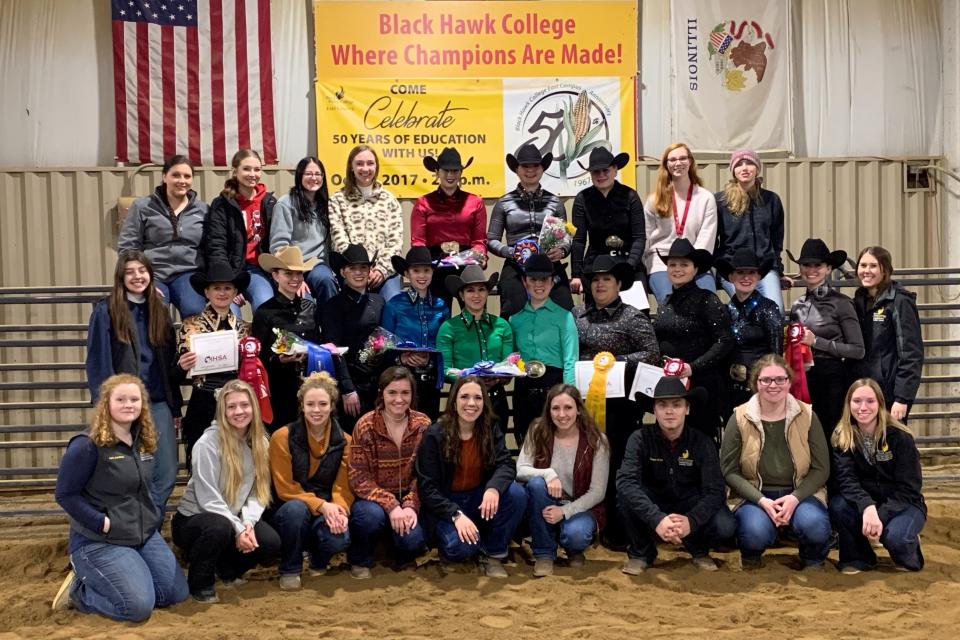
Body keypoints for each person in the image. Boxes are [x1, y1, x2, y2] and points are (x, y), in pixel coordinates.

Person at [52, 374, 189, 620]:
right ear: (106, 404)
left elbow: (149, 485)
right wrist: (100, 522)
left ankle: (131, 575)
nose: (129, 405)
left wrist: (153, 513)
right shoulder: (86, 446)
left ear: (142, 404)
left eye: (135, 399)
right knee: (136, 607)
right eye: (121, 399)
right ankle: (79, 592)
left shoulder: (143, 440)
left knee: (175, 594)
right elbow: (65, 494)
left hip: (142, 533)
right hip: (101, 539)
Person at [573, 255, 660, 548]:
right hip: (585, 404)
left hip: (622, 405)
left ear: (618, 284)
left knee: (621, 465)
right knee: (589, 464)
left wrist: (616, 361)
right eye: (595, 280)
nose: (600, 285)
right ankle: (591, 522)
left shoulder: (633, 317)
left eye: (606, 280)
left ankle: (621, 526)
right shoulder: (577, 315)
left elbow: (651, 353)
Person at [85, 250, 182, 513]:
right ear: (120, 277)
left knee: (166, 472)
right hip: (124, 407)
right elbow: (97, 362)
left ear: (150, 274)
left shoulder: (160, 311)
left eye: (142, 270)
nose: (137, 276)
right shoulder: (106, 311)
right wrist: (105, 406)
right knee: (132, 473)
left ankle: (149, 525)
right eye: (130, 272)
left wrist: (175, 407)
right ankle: (130, 527)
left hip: (158, 402)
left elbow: (168, 364)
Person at [172, 379, 280, 603]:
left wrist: (248, 524)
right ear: (222, 411)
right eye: (231, 407)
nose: (239, 411)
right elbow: (208, 499)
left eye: (244, 405)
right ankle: (200, 582)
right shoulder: (207, 444)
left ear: (254, 408)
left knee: (269, 542)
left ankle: (227, 570)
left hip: (234, 517)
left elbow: (257, 493)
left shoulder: (261, 442)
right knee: (217, 527)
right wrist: (238, 529)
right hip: (194, 519)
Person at [720, 355, 831, 570]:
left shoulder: (807, 415)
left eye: (780, 379)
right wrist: (761, 500)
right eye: (766, 380)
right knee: (754, 532)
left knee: (815, 525)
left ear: (789, 382)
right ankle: (751, 556)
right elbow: (729, 470)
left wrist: (795, 498)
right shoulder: (740, 417)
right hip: (754, 495)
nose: (774, 385)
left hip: (800, 492)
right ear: (756, 383)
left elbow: (821, 468)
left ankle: (814, 559)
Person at [617, 378, 736, 574]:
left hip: (689, 503)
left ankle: (699, 550)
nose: (669, 411)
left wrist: (691, 521)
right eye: (662, 405)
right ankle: (640, 553)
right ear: (654, 410)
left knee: (725, 525)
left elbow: (715, 491)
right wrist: (657, 519)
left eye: (676, 405)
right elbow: (626, 483)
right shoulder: (639, 439)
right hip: (653, 503)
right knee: (626, 496)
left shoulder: (703, 442)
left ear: (687, 409)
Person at [414, 376, 527, 577]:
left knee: (517, 494)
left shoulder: (491, 428)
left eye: (478, 397)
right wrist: (455, 514)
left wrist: (492, 488)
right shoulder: (434, 435)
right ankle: (464, 543)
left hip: (478, 498)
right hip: (446, 505)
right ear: (454, 401)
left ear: (485, 402)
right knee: (462, 548)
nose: (471, 404)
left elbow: (507, 464)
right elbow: (427, 489)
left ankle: (493, 553)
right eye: (465, 397)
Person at [267, 372, 353, 590]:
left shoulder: (346, 441)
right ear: (302, 405)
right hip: (289, 508)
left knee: (339, 538)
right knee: (295, 510)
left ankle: (318, 559)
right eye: (310, 404)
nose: (316, 410)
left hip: (326, 506)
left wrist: (339, 510)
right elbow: (285, 488)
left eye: (323, 404)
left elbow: (342, 486)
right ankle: (290, 568)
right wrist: (322, 506)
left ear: (332, 405)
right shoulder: (281, 437)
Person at [830, 379, 926, 573]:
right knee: (838, 504)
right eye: (856, 401)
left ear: (880, 404)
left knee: (896, 539)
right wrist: (867, 508)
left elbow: (909, 488)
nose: (863, 407)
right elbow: (846, 481)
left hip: (903, 503)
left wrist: (879, 516)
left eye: (870, 401)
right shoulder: (842, 437)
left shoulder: (901, 437)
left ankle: (909, 547)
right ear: (848, 405)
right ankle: (857, 558)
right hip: (866, 502)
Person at [516, 384, 609, 577]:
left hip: (579, 507)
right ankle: (544, 554)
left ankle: (573, 550)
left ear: (578, 410)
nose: (562, 414)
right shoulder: (537, 430)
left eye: (568, 408)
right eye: (555, 408)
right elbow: (521, 469)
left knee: (576, 535)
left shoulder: (597, 440)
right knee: (536, 483)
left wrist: (565, 511)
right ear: (548, 411)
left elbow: (598, 491)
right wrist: (548, 474)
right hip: (544, 501)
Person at [347, 367, 432, 578]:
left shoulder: (424, 425)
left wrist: (411, 505)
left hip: (409, 499)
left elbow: (426, 474)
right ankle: (360, 559)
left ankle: (397, 551)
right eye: (392, 392)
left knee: (413, 540)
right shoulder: (365, 425)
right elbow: (358, 477)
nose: (399, 399)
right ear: (381, 393)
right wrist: (391, 505)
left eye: (405, 393)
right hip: (373, 501)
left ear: (412, 395)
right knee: (368, 518)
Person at [653, 238, 734, 442]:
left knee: (700, 439)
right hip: (671, 384)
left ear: (695, 269)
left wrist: (693, 367)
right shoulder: (665, 302)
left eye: (684, 264)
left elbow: (724, 341)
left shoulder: (707, 300)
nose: (677, 269)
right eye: (672, 264)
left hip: (701, 384)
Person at [176, 263, 252, 469]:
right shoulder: (190, 325)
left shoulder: (245, 329)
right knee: (201, 461)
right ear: (206, 292)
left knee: (237, 463)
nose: (222, 293)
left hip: (236, 401)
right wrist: (182, 365)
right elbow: (176, 372)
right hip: (203, 400)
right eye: (217, 288)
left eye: (227, 288)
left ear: (235, 292)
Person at [789, 238, 865, 441]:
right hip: (802, 378)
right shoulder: (797, 305)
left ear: (828, 268)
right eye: (806, 265)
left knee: (829, 434)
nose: (811, 270)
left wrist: (817, 343)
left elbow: (858, 350)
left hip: (832, 379)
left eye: (818, 265)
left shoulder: (842, 304)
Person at [487, 144, 574, 318]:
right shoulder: (503, 202)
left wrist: (562, 250)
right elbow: (491, 239)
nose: (530, 170)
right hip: (515, 266)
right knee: (512, 309)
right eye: (525, 166)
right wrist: (512, 252)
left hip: (550, 266)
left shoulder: (555, 202)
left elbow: (566, 238)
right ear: (516, 169)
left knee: (566, 309)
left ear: (542, 169)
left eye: (535, 166)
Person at [117, 154, 209, 318]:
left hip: (189, 273)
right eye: (176, 175)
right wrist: (140, 278)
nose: (182, 180)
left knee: (195, 311)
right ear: (164, 176)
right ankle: (158, 344)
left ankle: (187, 344)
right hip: (153, 274)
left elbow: (210, 247)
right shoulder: (142, 206)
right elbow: (128, 247)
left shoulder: (203, 210)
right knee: (155, 313)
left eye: (187, 176)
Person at [509, 254, 578, 445]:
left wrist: (568, 395)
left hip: (553, 388)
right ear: (524, 281)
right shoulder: (515, 320)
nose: (539, 284)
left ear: (553, 281)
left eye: (544, 279)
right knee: (525, 442)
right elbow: (512, 358)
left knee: (555, 444)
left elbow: (570, 359)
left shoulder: (565, 317)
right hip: (524, 388)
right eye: (533, 279)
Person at [436, 265, 515, 434]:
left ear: (487, 293)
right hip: (462, 399)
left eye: (481, 289)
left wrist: (499, 377)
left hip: (496, 399)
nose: (477, 295)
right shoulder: (449, 328)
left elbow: (509, 368)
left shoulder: (502, 326)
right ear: (461, 295)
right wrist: (468, 375)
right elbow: (443, 370)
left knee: (496, 452)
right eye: (470, 290)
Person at [252, 246, 322, 432]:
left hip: (309, 381)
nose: (295, 279)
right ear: (275, 276)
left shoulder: (310, 307)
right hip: (280, 386)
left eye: (299, 274)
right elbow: (259, 355)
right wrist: (278, 359)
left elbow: (319, 342)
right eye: (288, 274)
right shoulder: (264, 312)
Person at [320, 243, 386, 433]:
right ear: (343, 272)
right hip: (351, 383)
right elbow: (333, 348)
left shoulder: (379, 301)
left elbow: (385, 341)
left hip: (377, 382)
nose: (358, 273)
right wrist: (348, 389)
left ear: (369, 271)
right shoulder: (333, 306)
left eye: (363, 268)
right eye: (352, 268)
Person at [853, 246, 924, 421]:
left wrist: (902, 397)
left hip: (890, 393)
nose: (866, 271)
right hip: (864, 390)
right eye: (862, 266)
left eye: (873, 266)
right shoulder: (859, 300)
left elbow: (911, 353)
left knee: (892, 443)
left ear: (885, 270)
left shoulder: (899, 301)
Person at [412, 147, 488, 305]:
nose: (450, 175)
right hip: (435, 267)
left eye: (455, 171)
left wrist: (481, 256)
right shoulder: (423, 203)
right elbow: (418, 242)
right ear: (437, 172)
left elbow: (479, 241)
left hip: (467, 265)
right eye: (446, 170)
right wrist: (424, 269)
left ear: (461, 173)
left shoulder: (476, 202)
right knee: (437, 317)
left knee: (474, 315)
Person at [203, 149, 277, 312]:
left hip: (257, 270)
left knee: (265, 306)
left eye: (257, 169)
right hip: (229, 271)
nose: (253, 174)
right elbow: (216, 246)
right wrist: (228, 282)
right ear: (235, 171)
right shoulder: (222, 204)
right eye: (247, 169)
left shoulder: (269, 202)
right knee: (230, 315)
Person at [643, 143, 718, 304]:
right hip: (662, 263)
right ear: (666, 165)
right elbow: (646, 236)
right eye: (672, 159)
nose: (678, 163)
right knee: (671, 304)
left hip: (696, 264)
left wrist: (690, 267)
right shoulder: (654, 200)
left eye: (683, 158)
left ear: (690, 162)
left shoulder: (705, 198)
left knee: (709, 304)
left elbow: (706, 237)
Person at [328, 145, 404, 302]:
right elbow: (338, 238)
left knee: (393, 305)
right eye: (359, 163)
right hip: (351, 271)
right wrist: (359, 269)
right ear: (351, 167)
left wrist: (382, 270)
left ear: (376, 166)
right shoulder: (338, 199)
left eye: (370, 163)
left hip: (384, 272)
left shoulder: (389, 199)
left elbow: (395, 241)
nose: (365, 168)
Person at [714, 248, 784, 419]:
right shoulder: (724, 311)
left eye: (751, 273)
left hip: (759, 388)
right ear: (731, 277)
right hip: (730, 388)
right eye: (740, 273)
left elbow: (776, 352)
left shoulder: (768, 308)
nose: (746, 278)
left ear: (759, 277)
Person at [715, 149, 789, 310]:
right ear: (733, 170)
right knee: (747, 307)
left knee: (775, 310)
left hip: (764, 268)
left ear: (757, 169)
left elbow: (777, 241)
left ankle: (772, 336)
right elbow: (713, 240)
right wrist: (719, 268)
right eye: (739, 164)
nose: (745, 168)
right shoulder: (720, 201)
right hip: (732, 268)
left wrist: (778, 270)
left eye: (750, 163)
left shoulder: (771, 200)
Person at [382, 246, 450, 418]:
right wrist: (402, 358)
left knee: (429, 429)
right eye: (416, 270)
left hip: (431, 382)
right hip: (402, 383)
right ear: (407, 273)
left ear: (432, 273)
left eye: (426, 270)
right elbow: (383, 347)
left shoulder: (441, 306)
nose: (422, 275)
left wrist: (431, 357)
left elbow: (445, 344)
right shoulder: (393, 305)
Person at [569, 147, 646, 298]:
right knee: (596, 315)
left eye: (606, 170)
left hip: (628, 260)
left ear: (615, 169)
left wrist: (629, 267)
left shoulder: (631, 196)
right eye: (596, 172)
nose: (601, 175)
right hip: (595, 264)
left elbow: (639, 237)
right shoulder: (582, 199)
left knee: (637, 312)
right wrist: (576, 273)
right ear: (590, 174)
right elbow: (578, 240)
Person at [268, 156, 338, 306]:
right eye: (308, 174)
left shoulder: (326, 205)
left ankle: (330, 327)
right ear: (299, 176)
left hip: (317, 266)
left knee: (326, 281)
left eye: (318, 174)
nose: (314, 178)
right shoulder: (285, 204)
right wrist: (296, 277)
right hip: (292, 267)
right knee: (304, 301)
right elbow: (278, 246)